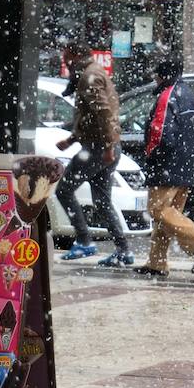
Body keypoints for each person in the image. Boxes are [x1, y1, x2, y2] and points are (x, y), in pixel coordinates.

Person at [55, 40, 134, 266]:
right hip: (104, 147)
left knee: (64, 190)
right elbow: (91, 117)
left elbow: (103, 113)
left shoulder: (89, 76)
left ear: (75, 55)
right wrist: (71, 140)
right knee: (102, 201)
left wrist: (108, 147)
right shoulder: (94, 72)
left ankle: (84, 240)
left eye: (66, 57)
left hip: (99, 149)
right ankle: (123, 250)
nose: (65, 62)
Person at [134, 60, 194, 277]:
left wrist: (151, 154)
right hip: (187, 162)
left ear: (163, 76)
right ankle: (156, 263)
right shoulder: (187, 93)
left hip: (168, 164)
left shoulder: (167, 95)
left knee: (158, 210)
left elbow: (160, 133)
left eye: (157, 75)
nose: (155, 80)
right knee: (169, 215)